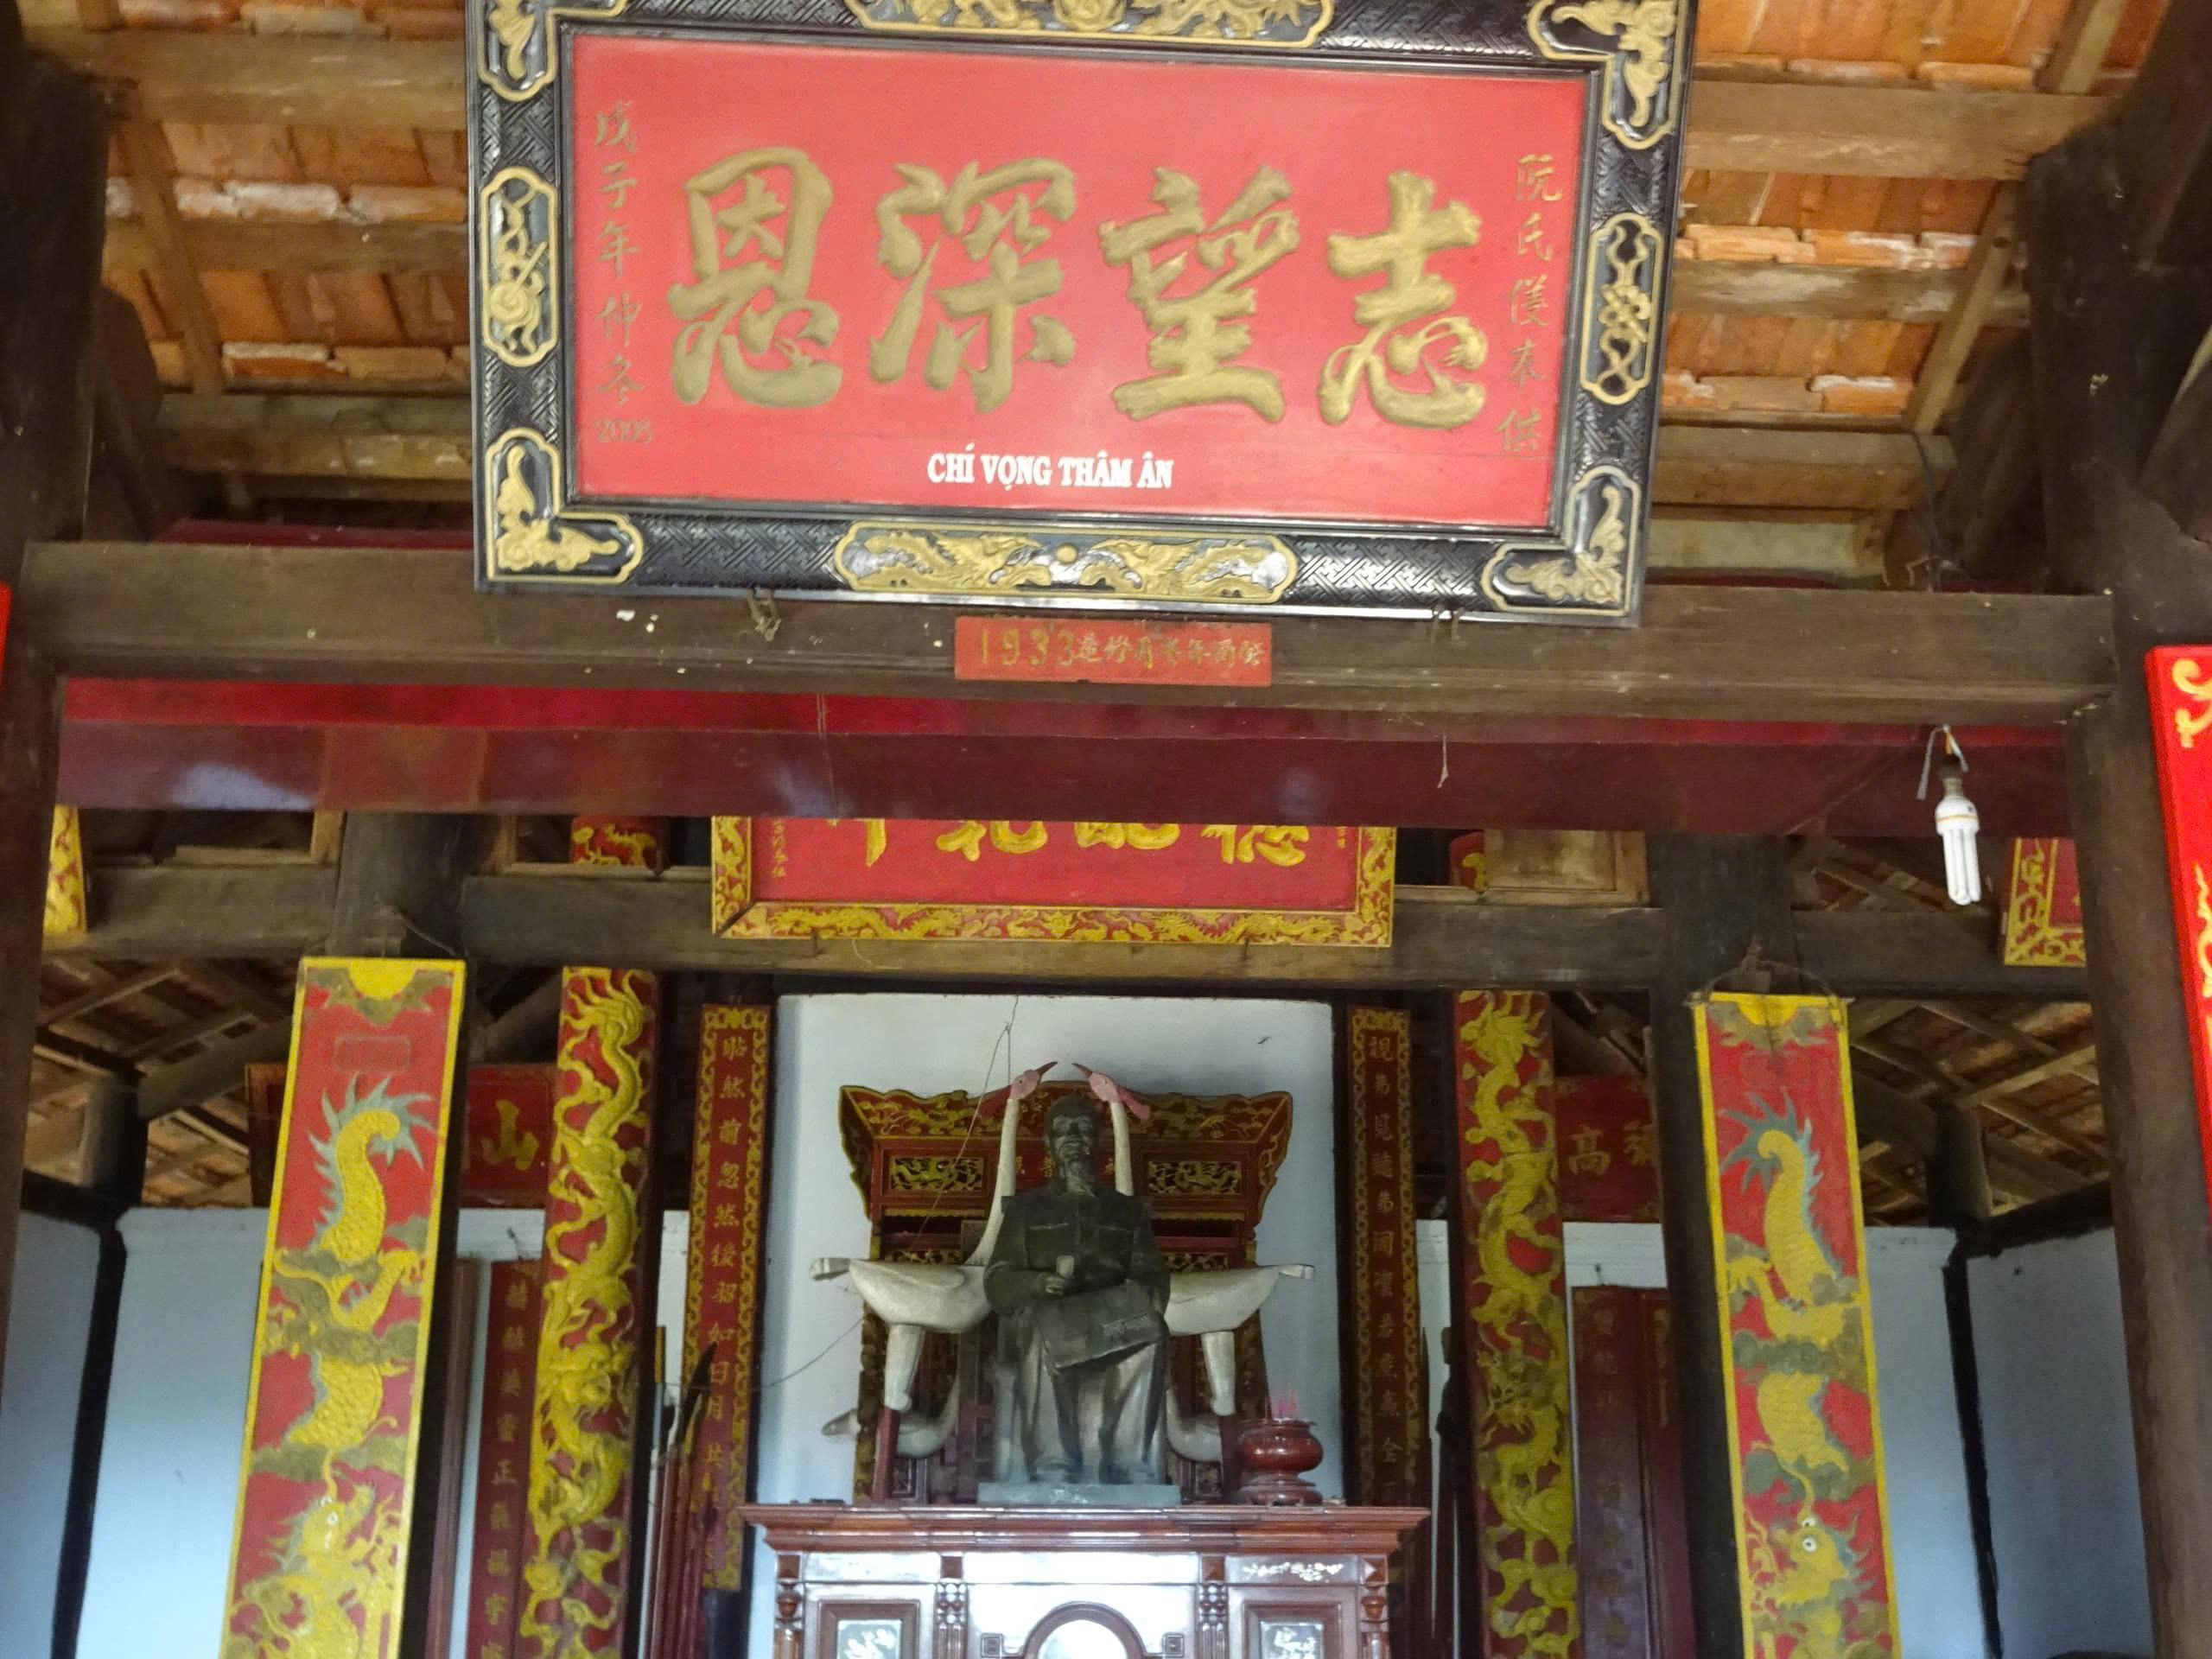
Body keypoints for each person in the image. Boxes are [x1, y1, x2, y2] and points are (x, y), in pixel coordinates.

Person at [983, 1093, 1170, 1488]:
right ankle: (1053, 1463)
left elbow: (1153, 1273)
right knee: (1040, 1330)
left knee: (1152, 1334)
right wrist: (1037, 1283)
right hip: (1050, 1315)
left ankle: (1129, 1464)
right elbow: (997, 1278)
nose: (1073, 1137)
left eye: (1083, 1129)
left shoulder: (1126, 1210)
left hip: (1111, 1317)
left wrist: (1136, 1297)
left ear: (1097, 1142)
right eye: (1062, 1130)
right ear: (1049, 1143)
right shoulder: (1026, 1209)